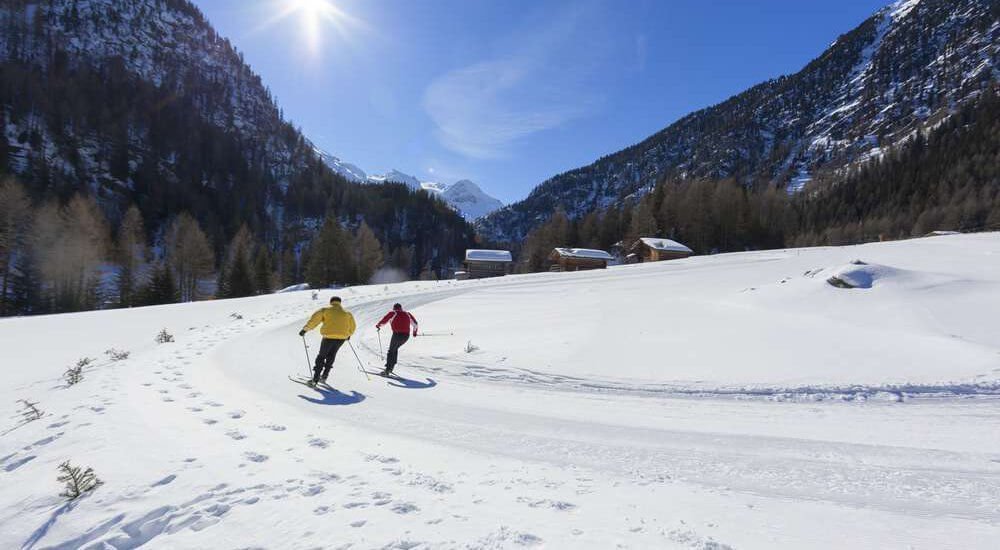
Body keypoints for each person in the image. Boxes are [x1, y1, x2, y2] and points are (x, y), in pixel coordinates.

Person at [300, 296, 356, 386]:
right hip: (341, 338)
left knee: (321, 356)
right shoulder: (347, 313)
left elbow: (314, 321)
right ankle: (324, 376)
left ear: (331, 302)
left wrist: (305, 330)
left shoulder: (325, 310)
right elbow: (352, 326)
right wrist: (348, 334)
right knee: (332, 355)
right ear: (340, 302)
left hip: (328, 337)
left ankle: (315, 379)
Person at [375, 303, 418, 376]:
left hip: (397, 334)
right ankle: (391, 366)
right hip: (406, 336)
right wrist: (414, 333)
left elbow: (384, 320)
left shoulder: (393, 313)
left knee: (391, 351)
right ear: (401, 308)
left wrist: (378, 325)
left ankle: (388, 370)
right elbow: (415, 324)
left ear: (394, 308)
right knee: (394, 349)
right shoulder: (407, 314)